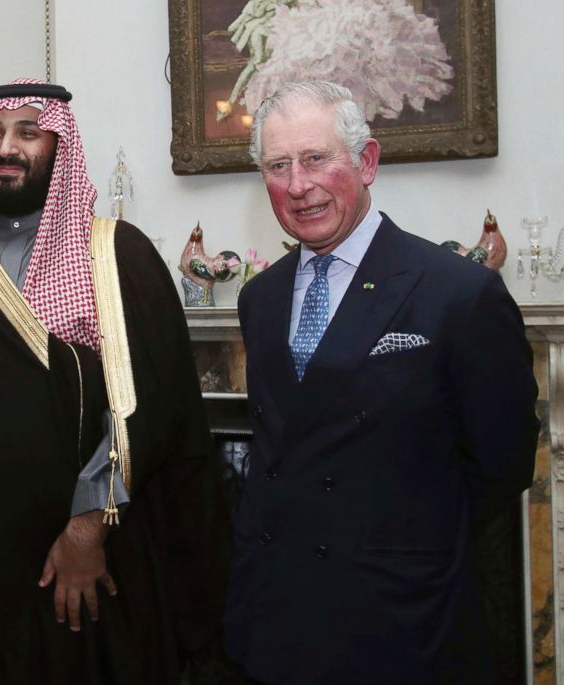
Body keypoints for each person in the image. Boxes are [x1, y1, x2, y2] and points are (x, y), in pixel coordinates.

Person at [0, 79, 229, 684]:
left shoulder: (119, 258)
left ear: (59, 147)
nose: (5, 147)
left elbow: (154, 410)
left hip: (84, 567)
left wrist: (87, 530)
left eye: (27, 132)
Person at [225, 80, 540, 685]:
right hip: (276, 620)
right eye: (277, 166)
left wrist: (404, 542)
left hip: (400, 624)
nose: (298, 185)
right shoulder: (259, 298)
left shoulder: (458, 293)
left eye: (316, 159)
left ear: (366, 162)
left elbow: (502, 464)